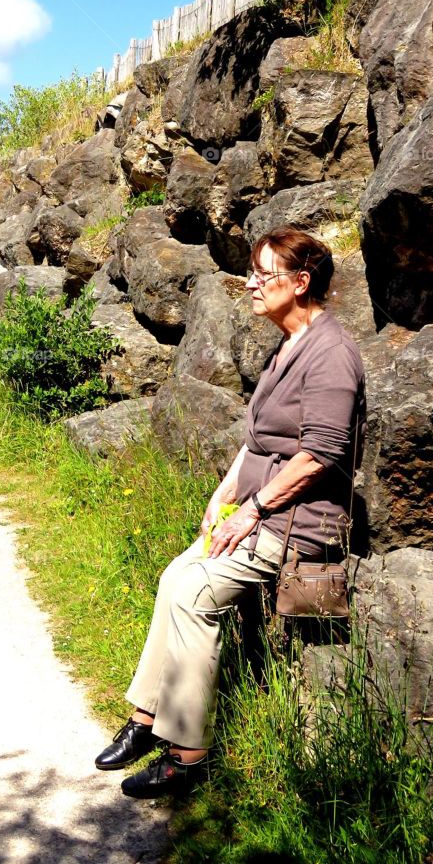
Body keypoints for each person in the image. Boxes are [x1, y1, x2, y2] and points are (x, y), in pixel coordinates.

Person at [94, 226, 366, 798]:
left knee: (196, 595)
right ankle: (147, 721)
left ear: (301, 281)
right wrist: (224, 494)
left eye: (263, 275)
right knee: (175, 578)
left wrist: (253, 510)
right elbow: (259, 439)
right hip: (258, 511)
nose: (250, 284)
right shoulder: (288, 345)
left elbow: (321, 452)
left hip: (298, 524)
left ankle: (188, 754)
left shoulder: (332, 354)